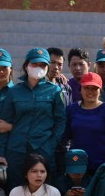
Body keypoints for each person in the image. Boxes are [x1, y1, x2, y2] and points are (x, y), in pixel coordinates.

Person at [6, 48, 66, 182]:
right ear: (26, 65)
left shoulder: (55, 91)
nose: (38, 67)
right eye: (35, 64)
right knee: (16, 189)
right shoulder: (14, 91)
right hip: (16, 149)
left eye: (43, 65)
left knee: (43, 191)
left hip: (43, 148)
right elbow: (5, 121)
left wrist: (49, 146)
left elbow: (61, 122)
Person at [65, 72, 105, 168]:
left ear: (100, 90)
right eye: (86, 88)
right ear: (80, 89)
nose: (90, 92)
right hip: (76, 163)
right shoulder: (72, 109)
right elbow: (66, 135)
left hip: (101, 164)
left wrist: (103, 150)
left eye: (94, 88)